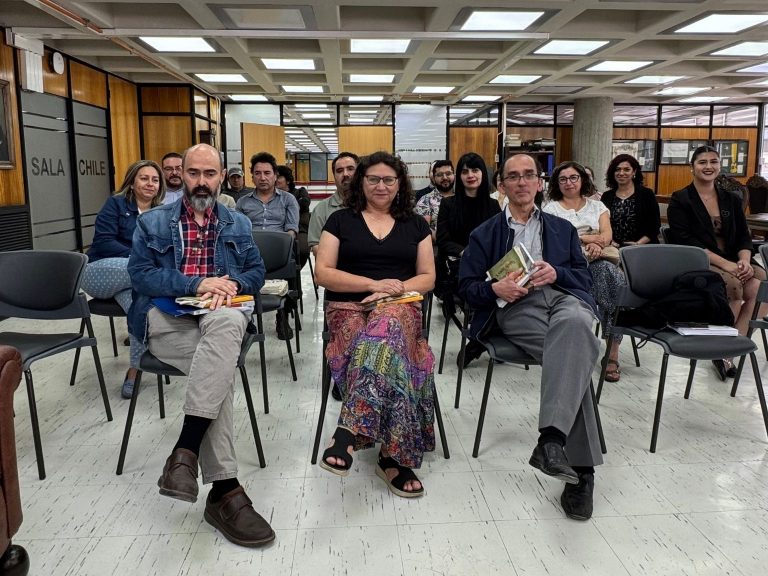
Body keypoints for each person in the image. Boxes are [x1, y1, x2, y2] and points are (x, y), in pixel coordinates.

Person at [127, 143, 274, 548]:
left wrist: (233, 285)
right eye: (194, 173)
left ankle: (188, 454)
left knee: (228, 322)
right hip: (167, 315)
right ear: (181, 175)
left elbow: (256, 271)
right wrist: (195, 283)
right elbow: (139, 275)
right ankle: (224, 490)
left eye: (210, 174)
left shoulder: (236, 222)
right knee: (220, 374)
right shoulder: (153, 223)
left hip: (218, 314)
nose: (201, 182)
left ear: (221, 176)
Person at [458, 153, 603, 521]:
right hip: (517, 310)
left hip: (565, 302)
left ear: (540, 183)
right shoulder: (485, 233)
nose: (522, 183)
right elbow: (465, 288)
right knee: (575, 356)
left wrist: (558, 274)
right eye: (513, 177)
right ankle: (581, 474)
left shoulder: (561, 229)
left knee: (573, 334)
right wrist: (495, 289)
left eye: (529, 176)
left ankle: (553, 443)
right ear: (501, 185)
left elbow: (583, 282)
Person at [314, 151, 436, 498]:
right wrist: (373, 284)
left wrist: (392, 292)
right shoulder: (340, 220)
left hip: (400, 306)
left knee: (387, 325)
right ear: (361, 182)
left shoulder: (416, 224)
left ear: (400, 184)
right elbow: (324, 273)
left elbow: (428, 277)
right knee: (378, 345)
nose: (381, 186)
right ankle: (392, 457)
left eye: (389, 180)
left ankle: (348, 430)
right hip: (347, 305)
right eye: (373, 179)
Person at [667, 145, 766, 380]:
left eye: (713, 161)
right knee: (734, 286)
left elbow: (744, 235)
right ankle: (723, 351)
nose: (708, 166)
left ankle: (730, 346)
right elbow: (687, 242)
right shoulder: (681, 200)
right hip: (701, 260)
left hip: (735, 258)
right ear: (692, 168)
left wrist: (743, 261)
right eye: (702, 162)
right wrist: (728, 265)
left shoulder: (731, 199)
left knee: (761, 287)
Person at [82, 159, 165, 398]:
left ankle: (135, 369)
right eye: (144, 178)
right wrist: (140, 259)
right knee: (147, 275)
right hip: (101, 271)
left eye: (155, 180)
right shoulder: (116, 204)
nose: (150, 183)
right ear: (132, 181)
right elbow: (104, 242)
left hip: (135, 281)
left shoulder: (160, 214)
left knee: (141, 305)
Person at [543, 161, 626, 383]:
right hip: (567, 264)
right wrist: (588, 237)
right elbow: (557, 241)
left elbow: (606, 236)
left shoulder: (598, 206)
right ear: (556, 183)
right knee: (603, 282)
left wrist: (596, 244)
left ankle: (612, 351)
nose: (568, 183)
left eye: (573, 178)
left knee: (612, 278)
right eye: (563, 179)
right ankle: (585, 347)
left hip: (599, 259)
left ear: (582, 180)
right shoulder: (550, 209)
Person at [436, 152, 501, 366]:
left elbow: (499, 241)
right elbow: (444, 241)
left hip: (489, 267)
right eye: (465, 171)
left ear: (483, 174)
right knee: (485, 288)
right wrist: (468, 253)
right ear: (459, 176)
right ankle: (486, 337)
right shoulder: (449, 205)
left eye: (475, 170)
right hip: (458, 266)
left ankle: (478, 339)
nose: (470, 175)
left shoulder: (493, 207)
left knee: (505, 285)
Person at [237, 151, 300, 340]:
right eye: (258, 173)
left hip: (280, 252)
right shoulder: (242, 202)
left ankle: (283, 315)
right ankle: (246, 317)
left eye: (267, 173)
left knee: (291, 263)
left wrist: (278, 249)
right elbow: (238, 232)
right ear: (252, 175)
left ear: (275, 175)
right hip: (250, 252)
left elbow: (291, 230)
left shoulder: (288, 199)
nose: (262, 178)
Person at [600, 154, 660, 246]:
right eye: (617, 169)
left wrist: (637, 244)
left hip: (643, 247)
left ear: (634, 172)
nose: (621, 173)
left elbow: (655, 226)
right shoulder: (606, 196)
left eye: (626, 169)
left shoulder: (647, 194)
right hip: (613, 247)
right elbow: (601, 224)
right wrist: (610, 242)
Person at [308, 152, 359, 255]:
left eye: (350, 169)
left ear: (359, 173)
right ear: (334, 177)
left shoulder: (371, 205)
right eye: (339, 171)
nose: (345, 174)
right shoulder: (321, 209)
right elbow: (316, 246)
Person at [276, 164, 311, 268]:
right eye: (275, 177)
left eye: (279, 177)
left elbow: (304, 204)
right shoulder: (272, 196)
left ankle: (295, 271)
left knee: (302, 250)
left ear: (287, 180)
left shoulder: (300, 192)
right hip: (278, 227)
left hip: (300, 229)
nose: (276, 180)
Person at [414, 159, 455, 242]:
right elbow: (424, 229)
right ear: (434, 178)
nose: (444, 177)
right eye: (440, 175)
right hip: (437, 249)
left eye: (448, 173)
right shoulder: (425, 200)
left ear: (454, 175)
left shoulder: (462, 197)